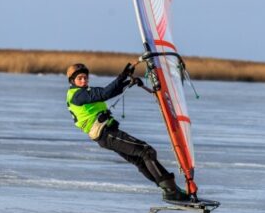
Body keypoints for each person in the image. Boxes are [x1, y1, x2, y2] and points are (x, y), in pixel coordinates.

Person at [65, 62, 192, 203]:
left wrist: (128, 83)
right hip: (106, 134)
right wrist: (122, 76)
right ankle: (171, 191)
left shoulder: (82, 92)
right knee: (146, 151)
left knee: (139, 159)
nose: (84, 81)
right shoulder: (78, 95)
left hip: (107, 134)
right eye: (80, 78)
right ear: (72, 80)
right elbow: (104, 94)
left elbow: (110, 92)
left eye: (85, 78)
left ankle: (169, 189)